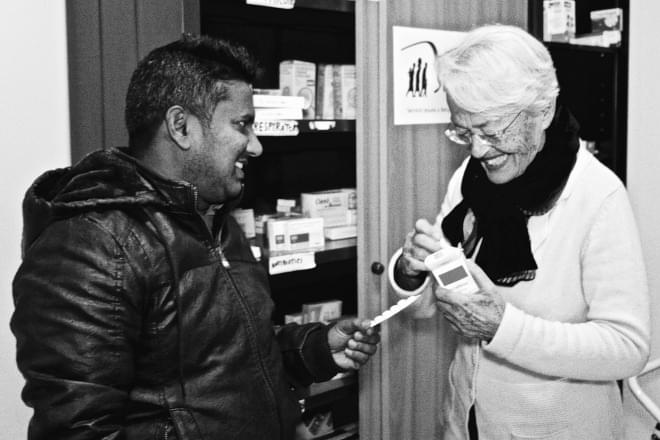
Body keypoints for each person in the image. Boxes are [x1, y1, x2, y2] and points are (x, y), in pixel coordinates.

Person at [11, 34, 380, 440]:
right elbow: (77, 430)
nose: (255, 146)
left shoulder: (213, 219)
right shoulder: (91, 246)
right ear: (181, 126)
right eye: (242, 124)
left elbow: (229, 359)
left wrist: (316, 349)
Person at [388, 24, 649, 440]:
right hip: (467, 418)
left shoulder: (597, 196)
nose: (476, 150)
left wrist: (502, 327)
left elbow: (626, 348)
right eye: (464, 130)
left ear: (542, 111)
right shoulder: (469, 179)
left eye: (492, 131)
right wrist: (410, 271)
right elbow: (431, 306)